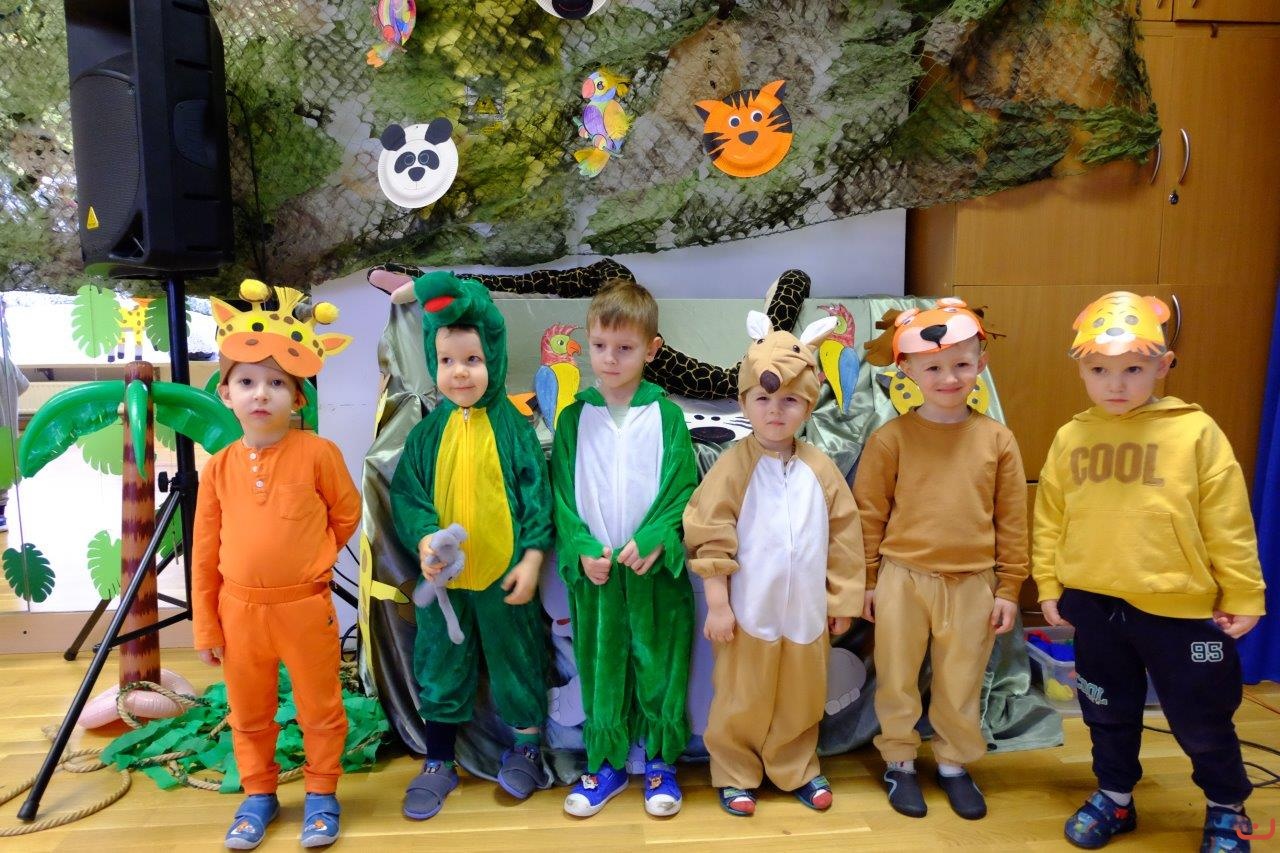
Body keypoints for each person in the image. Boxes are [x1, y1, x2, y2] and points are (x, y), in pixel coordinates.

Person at [1034, 291, 1266, 851]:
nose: (1115, 384)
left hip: (1179, 612)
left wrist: (1244, 593)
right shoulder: (1071, 436)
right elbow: (1049, 517)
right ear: (1081, 370)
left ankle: (1226, 807)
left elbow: (1228, 521)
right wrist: (1048, 584)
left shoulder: (1195, 432)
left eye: (1133, 369)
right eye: (1099, 370)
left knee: (1202, 718)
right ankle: (1115, 796)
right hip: (1096, 605)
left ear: (1163, 366)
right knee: (1105, 710)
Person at [192, 280, 360, 849]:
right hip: (239, 613)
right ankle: (259, 794)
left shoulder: (318, 453)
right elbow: (205, 554)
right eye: (246, 382)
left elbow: (346, 512)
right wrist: (207, 625)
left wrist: (315, 557)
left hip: (305, 610)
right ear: (226, 393)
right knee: (248, 711)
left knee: (320, 706)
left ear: (298, 398)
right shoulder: (217, 468)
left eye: (276, 383)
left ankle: (322, 793)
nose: (260, 394)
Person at [683, 310, 864, 817]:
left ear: (808, 405)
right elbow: (708, 534)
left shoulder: (820, 469)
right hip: (747, 615)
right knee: (740, 696)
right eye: (763, 399)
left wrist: (842, 601)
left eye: (789, 400)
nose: (775, 411)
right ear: (744, 402)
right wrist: (718, 604)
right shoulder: (732, 467)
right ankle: (735, 770)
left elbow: (845, 538)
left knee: (802, 697)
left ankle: (796, 766)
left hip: (805, 616)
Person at [853, 297, 1027, 821]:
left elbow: (1012, 520)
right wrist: (867, 581)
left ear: (981, 364)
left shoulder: (998, 441)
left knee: (961, 681)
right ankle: (899, 761)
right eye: (933, 368)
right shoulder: (890, 440)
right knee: (897, 677)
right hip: (902, 579)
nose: (949, 378)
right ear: (907, 370)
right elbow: (868, 516)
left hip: (973, 583)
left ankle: (953, 764)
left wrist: (1009, 587)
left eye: (961, 365)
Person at [391, 271, 553, 821]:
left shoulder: (514, 430)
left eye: (472, 360)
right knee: (440, 661)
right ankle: (439, 759)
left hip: (505, 575)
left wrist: (532, 558)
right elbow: (408, 495)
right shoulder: (426, 434)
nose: (459, 372)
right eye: (446, 361)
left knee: (516, 659)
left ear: (494, 359)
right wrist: (424, 541)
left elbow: (536, 496)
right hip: (445, 580)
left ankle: (527, 748)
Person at [550, 279, 698, 818]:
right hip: (599, 575)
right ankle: (607, 764)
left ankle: (660, 762)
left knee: (659, 664)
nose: (609, 359)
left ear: (651, 349)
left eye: (625, 348)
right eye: (599, 346)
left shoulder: (666, 416)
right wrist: (581, 547)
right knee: (603, 666)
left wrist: (656, 538)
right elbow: (561, 497)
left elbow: (682, 488)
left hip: (653, 574)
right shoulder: (573, 419)